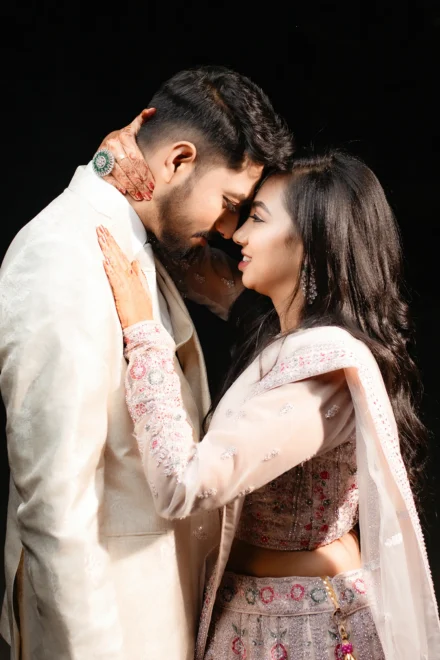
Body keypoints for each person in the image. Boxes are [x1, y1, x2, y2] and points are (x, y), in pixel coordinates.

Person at [97, 149, 440, 660]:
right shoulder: (281, 331)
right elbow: (184, 255)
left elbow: (182, 483)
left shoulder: (325, 372)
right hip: (248, 616)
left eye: (256, 218)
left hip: (308, 630)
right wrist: (110, 162)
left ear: (311, 243)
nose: (236, 234)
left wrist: (144, 335)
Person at [0, 66, 293, 660]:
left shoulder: (134, 236)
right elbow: (55, 508)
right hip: (110, 632)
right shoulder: (63, 256)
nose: (227, 228)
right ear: (179, 160)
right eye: (228, 203)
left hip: (157, 613)